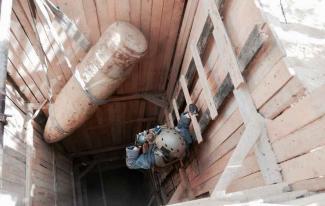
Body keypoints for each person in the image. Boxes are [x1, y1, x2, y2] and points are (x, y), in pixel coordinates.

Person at [126, 104, 199, 170]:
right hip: (171, 149)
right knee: (180, 128)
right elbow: (182, 127)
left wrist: (137, 146)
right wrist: (188, 116)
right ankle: (189, 114)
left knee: (180, 129)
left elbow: (131, 164)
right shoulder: (183, 139)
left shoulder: (153, 158)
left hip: (160, 156)